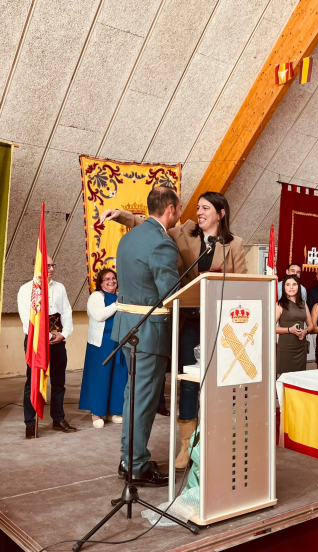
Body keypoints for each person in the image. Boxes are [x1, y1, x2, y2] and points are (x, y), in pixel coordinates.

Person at [101, 191, 247, 470]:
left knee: (223, 381)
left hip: (220, 323)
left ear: (221, 213)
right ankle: (186, 446)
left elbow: (241, 284)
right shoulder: (182, 233)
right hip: (187, 322)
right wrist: (123, 216)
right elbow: (152, 224)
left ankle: (221, 440)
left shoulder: (235, 244)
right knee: (189, 384)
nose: (199, 212)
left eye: (206, 208)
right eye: (197, 207)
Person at [112, 186, 181, 486]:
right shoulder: (160, 243)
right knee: (144, 400)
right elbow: (170, 291)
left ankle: (129, 457)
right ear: (169, 210)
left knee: (133, 396)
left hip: (126, 327)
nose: (178, 215)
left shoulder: (128, 238)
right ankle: (136, 465)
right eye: (178, 209)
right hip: (149, 331)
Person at [17, 255, 77, 438]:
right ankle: (30, 422)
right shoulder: (26, 290)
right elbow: (28, 321)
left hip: (57, 341)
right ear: (36, 267)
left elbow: (67, 311)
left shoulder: (60, 288)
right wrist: (48, 335)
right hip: (36, 343)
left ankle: (58, 419)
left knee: (58, 382)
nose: (51, 268)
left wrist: (63, 334)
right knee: (33, 382)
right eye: (47, 265)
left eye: (52, 265)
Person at [78, 268, 128, 428]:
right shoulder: (96, 296)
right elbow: (99, 316)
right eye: (107, 279)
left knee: (118, 376)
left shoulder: (120, 296)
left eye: (113, 278)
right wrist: (117, 305)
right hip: (102, 343)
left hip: (119, 341)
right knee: (101, 377)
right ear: (100, 282)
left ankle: (114, 410)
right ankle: (97, 413)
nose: (111, 281)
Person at [276, 274, 314, 375]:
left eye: (294, 284)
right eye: (288, 285)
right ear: (284, 287)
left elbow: (311, 326)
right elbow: (270, 328)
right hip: (286, 348)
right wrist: (289, 330)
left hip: (301, 347)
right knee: (284, 377)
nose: (291, 287)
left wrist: (305, 331)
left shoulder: (303, 303)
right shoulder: (280, 304)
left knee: (299, 378)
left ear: (299, 287)